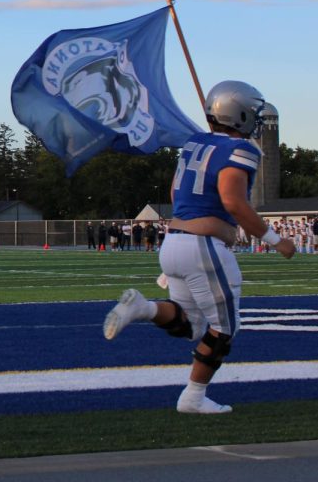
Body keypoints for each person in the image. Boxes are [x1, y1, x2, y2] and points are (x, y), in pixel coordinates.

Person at [103, 80, 295, 415]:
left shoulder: (194, 144)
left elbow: (177, 196)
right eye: (253, 112)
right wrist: (276, 240)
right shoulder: (243, 150)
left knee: (192, 326)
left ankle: (143, 309)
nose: (257, 119)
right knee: (225, 330)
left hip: (174, 242)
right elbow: (233, 202)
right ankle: (192, 397)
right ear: (238, 114)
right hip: (202, 247)